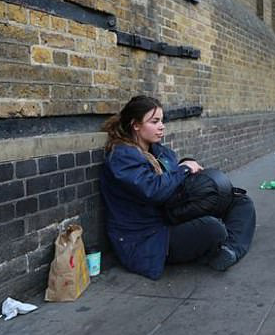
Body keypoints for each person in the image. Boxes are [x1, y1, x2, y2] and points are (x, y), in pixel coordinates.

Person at [99, 96, 255, 279]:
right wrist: (184, 169)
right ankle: (222, 244)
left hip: (170, 215)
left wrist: (186, 164)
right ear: (136, 125)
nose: (161, 126)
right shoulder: (122, 156)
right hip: (147, 237)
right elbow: (153, 190)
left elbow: (172, 176)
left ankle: (229, 250)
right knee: (212, 228)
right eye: (154, 121)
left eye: (162, 121)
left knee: (239, 201)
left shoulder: (157, 150)